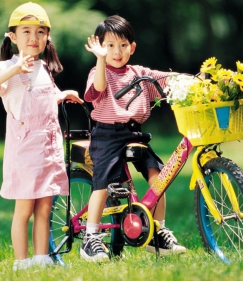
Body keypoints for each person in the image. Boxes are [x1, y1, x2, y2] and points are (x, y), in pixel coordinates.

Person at [0, 2, 83, 270]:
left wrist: (63, 95)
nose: (33, 38)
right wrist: (14, 70)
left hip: (48, 150)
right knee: (24, 210)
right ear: (13, 37)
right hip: (24, 151)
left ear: (47, 37)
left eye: (40, 32)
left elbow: (44, 100)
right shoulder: (7, 67)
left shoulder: (44, 68)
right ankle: (22, 262)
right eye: (26, 31)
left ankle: (41, 258)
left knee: (45, 209)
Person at [82, 15, 186, 263]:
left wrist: (192, 80)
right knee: (103, 184)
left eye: (123, 45)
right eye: (109, 46)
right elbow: (95, 90)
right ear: (100, 47)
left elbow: (166, 79)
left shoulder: (140, 73)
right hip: (107, 135)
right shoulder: (99, 72)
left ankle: (157, 232)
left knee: (159, 178)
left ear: (132, 47)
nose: (117, 52)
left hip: (134, 133)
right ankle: (91, 236)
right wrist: (99, 60)